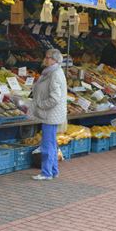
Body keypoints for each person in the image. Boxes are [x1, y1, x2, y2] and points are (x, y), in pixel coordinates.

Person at [30, 49, 67, 180]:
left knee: (47, 144)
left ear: (55, 60)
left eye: (48, 57)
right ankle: (54, 170)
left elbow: (55, 98)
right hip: (51, 114)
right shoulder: (51, 72)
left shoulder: (54, 74)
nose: (45, 59)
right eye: (45, 57)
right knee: (51, 143)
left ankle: (46, 173)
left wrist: (41, 105)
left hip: (51, 115)